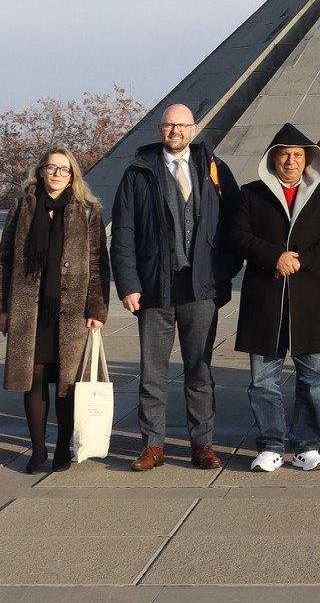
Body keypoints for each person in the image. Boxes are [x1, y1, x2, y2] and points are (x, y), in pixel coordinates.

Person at [110, 103, 241, 471]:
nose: (175, 132)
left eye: (182, 126)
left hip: (201, 290)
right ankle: (153, 446)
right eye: (169, 125)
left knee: (200, 371)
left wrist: (224, 271)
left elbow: (236, 223)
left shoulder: (215, 169)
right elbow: (123, 233)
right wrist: (129, 284)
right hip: (155, 289)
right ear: (159, 129)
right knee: (153, 373)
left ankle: (203, 445)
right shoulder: (138, 173)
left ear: (194, 129)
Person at [230, 124, 320, 473]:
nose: (291, 161)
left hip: (311, 301)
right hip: (265, 300)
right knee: (263, 380)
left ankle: (307, 445)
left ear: (309, 159)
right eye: (285, 155)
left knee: (314, 379)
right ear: (273, 159)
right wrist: (274, 257)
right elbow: (238, 236)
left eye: (298, 155)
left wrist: (299, 259)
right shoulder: (252, 193)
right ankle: (271, 445)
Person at [0, 149, 109, 473]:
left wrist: (97, 308)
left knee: (66, 382)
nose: (57, 174)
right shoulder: (23, 206)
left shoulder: (87, 211)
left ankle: (62, 448)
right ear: (41, 171)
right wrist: (1, 307)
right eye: (51, 168)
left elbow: (99, 263)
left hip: (71, 310)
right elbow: (4, 259)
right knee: (35, 378)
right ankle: (38, 450)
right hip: (29, 309)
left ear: (73, 175)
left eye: (64, 169)